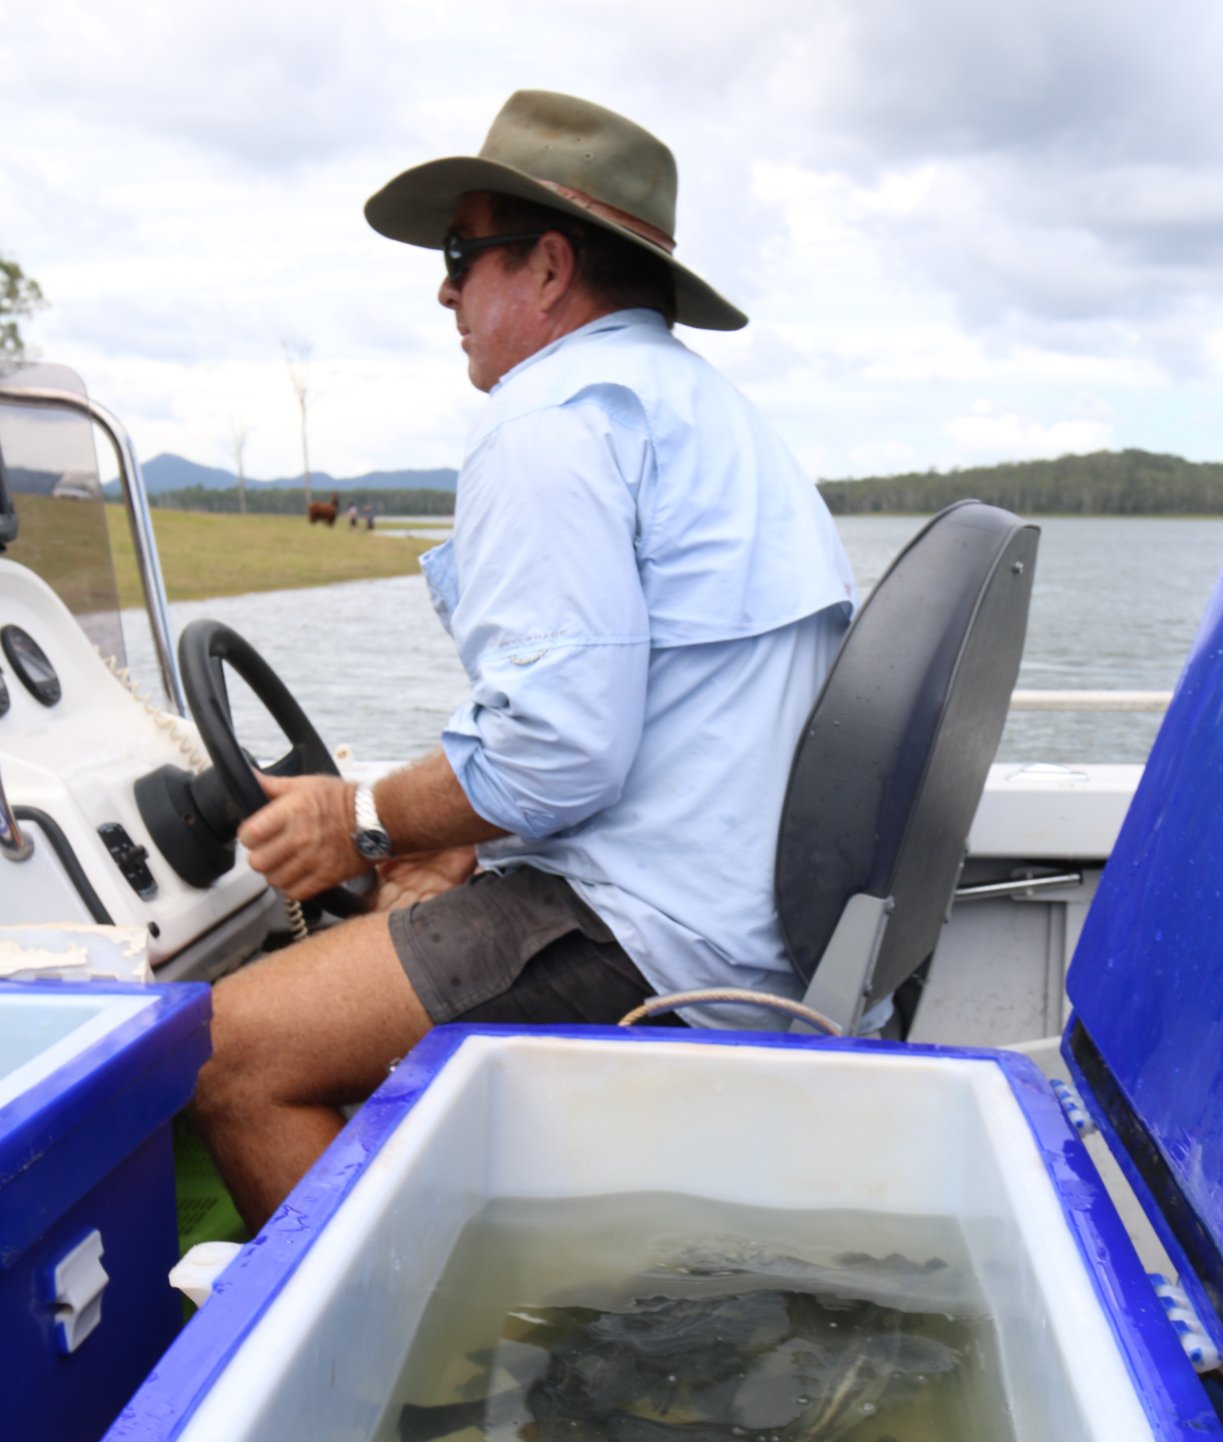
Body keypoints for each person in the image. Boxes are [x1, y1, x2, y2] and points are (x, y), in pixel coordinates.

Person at [194, 90, 854, 1230]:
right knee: (380, 942)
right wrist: (447, 839)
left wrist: (359, 816)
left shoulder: (548, 418)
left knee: (226, 1053)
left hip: (656, 944)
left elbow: (556, 755)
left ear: (548, 267)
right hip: (743, 924)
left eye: (463, 253)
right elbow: (623, 723)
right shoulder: (695, 409)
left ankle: (387, 1383)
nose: (445, 290)